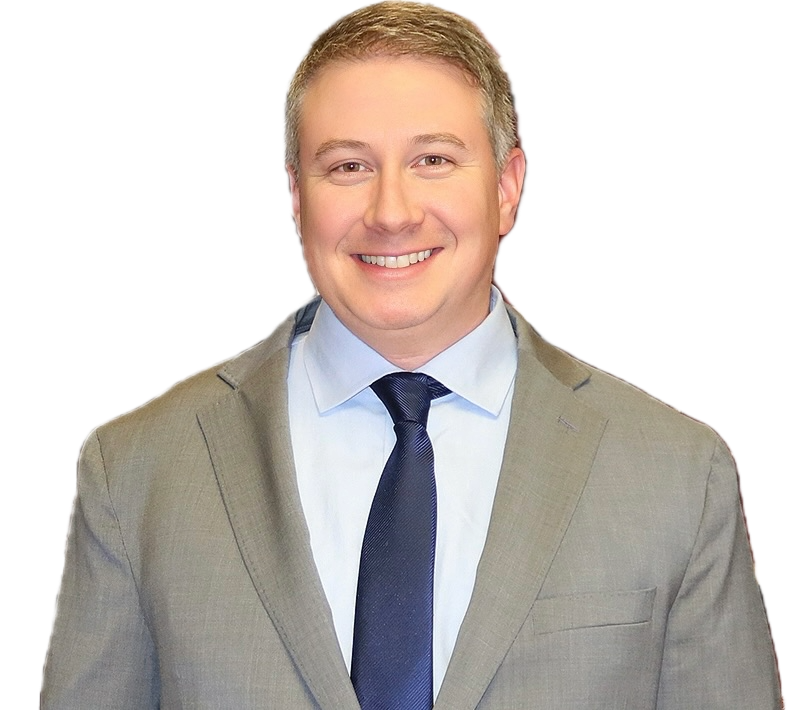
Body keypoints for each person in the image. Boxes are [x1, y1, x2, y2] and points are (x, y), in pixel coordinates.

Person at [41, 1, 781, 707]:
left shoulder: (674, 473)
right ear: (295, 195)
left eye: (432, 159)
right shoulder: (135, 470)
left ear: (508, 187)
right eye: (347, 168)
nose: (391, 212)